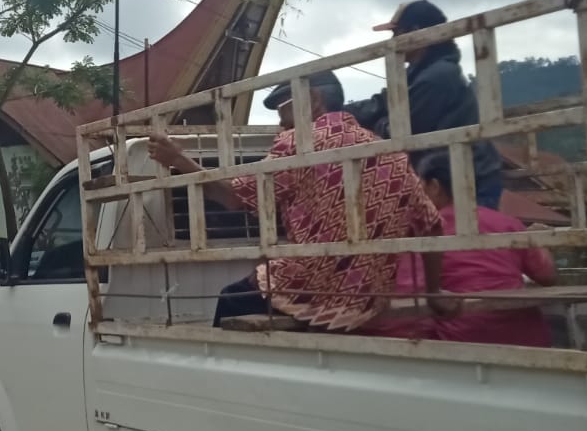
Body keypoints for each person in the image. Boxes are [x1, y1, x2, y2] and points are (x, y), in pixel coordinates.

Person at [148, 71, 453, 331]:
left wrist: (179, 160)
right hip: (369, 299)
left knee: (232, 298)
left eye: (284, 113)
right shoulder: (388, 151)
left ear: (313, 100)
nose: (281, 126)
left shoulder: (299, 143)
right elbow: (432, 225)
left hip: (315, 290)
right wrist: (434, 290)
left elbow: (232, 196)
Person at [365, 152, 558, 346]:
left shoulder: (423, 229)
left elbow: (405, 294)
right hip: (528, 339)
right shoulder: (508, 223)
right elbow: (548, 276)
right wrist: (539, 240)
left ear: (434, 187)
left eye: (420, 186)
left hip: (463, 342)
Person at [345, 0, 506, 209]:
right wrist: (341, 113)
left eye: (397, 33)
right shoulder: (417, 72)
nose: (393, 40)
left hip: (467, 179)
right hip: (448, 175)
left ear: (415, 32)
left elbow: (402, 131)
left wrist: (376, 124)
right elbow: (382, 102)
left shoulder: (436, 77)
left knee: (463, 228)